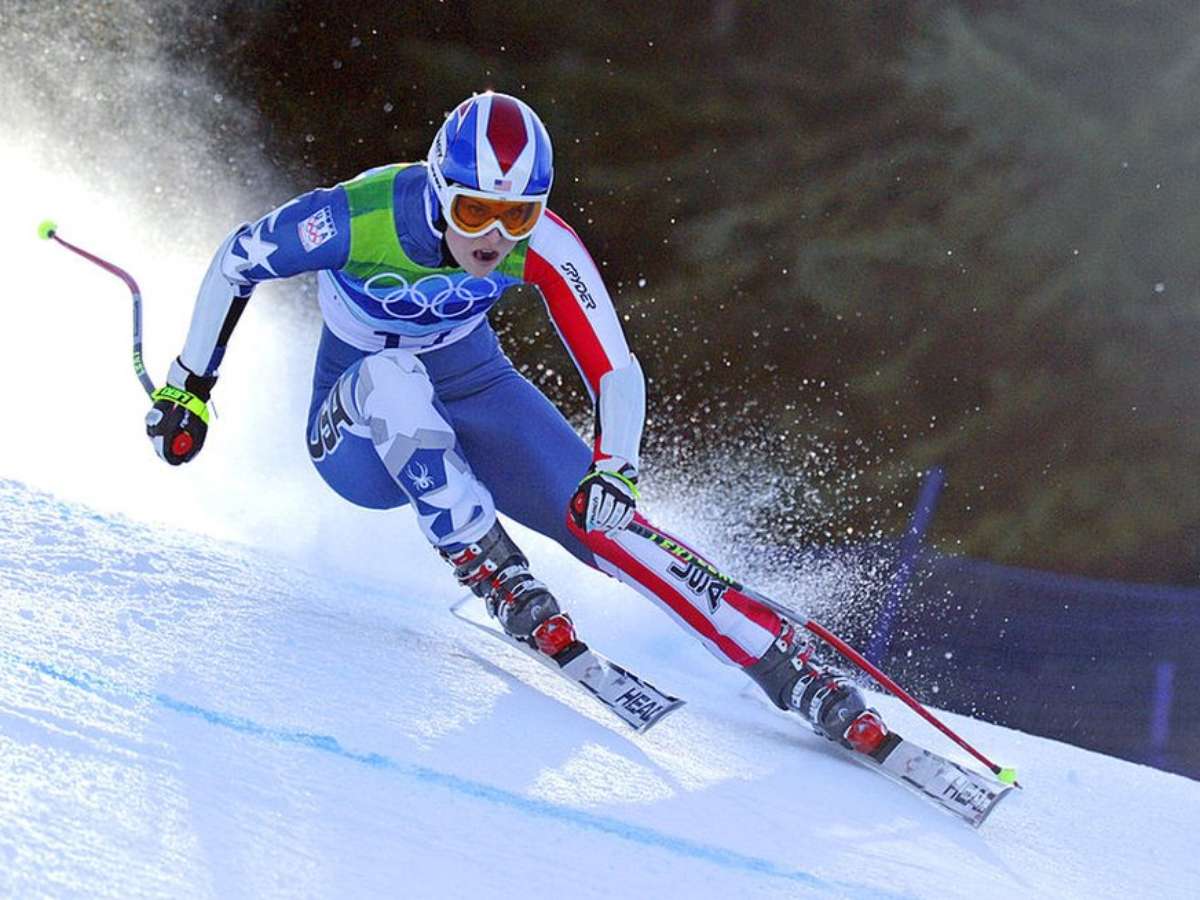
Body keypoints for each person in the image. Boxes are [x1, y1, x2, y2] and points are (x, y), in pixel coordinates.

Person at [145, 91, 887, 755]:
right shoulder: (357, 216)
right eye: (474, 212)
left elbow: (614, 367)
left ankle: (785, 664)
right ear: (440, 190)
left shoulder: (544, 244)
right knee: (394, 373)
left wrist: (617, 468)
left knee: (602, 515)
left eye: (518, 215)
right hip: (359, 431)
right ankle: (494, 568)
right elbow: (237, 260)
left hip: (476, 392)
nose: (495, 236)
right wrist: (189, 388)